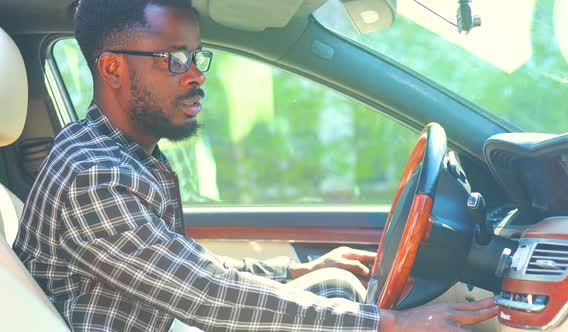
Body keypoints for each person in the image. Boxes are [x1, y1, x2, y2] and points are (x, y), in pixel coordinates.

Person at [13, 1, 498, 331]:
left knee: (337, 284)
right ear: (113, 68)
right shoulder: (93, 174)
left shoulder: (119, 153)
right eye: (174, 59)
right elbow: (204, 292)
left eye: (197, 55)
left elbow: (179, 264)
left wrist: (289, 271)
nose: (197, 74)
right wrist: (388, 325)